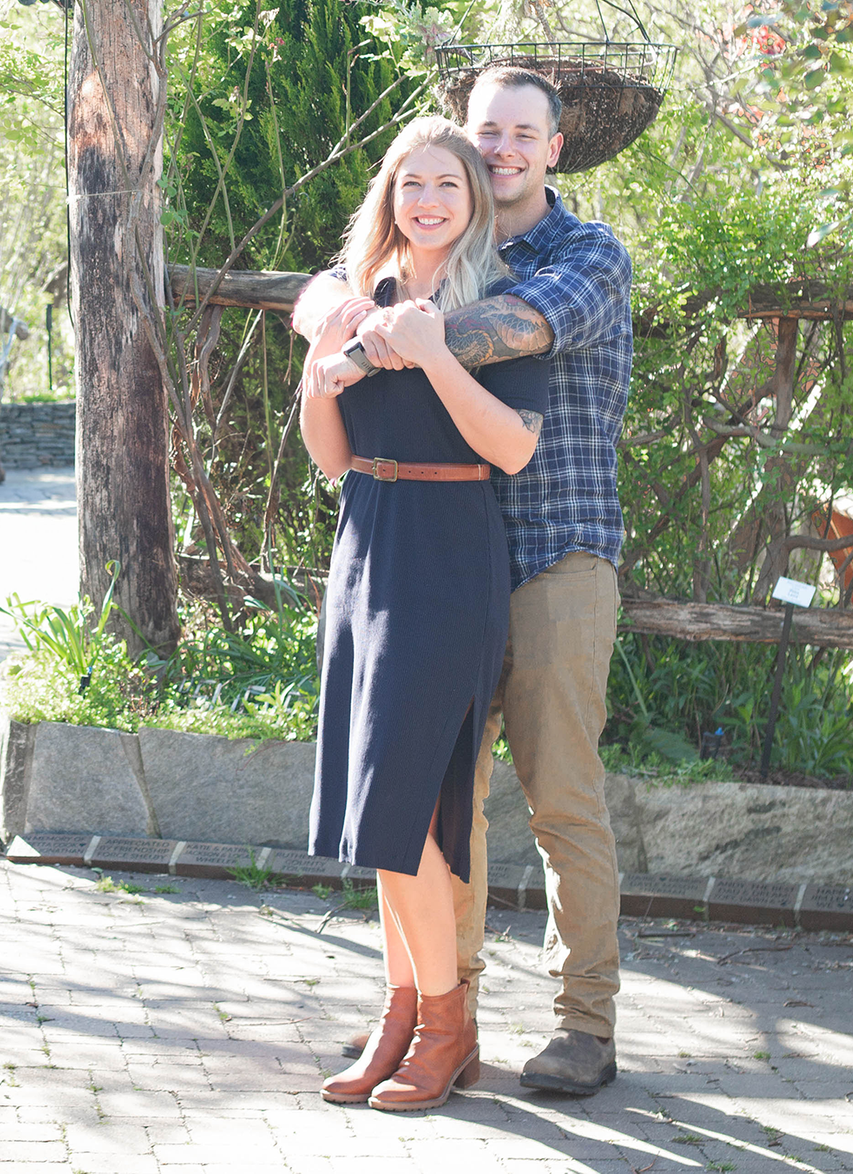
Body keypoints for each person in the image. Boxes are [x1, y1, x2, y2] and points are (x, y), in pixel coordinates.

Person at [294, 65, 633, 1097]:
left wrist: (368, 332)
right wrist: (336, 306)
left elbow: (503, 331)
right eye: (486, 127)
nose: (501, 146)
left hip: (556, 548)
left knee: (560, 793)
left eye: (521, 132)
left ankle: (584, 1021)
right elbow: (334, 286)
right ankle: (449, 1012)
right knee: (444, 802)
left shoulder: (578, 256)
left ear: (553, 147)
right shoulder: (440, 245)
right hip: (445, 545)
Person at [299, 116, 549, 1113]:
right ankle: (405, 1016)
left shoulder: (501, 305)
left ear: (473, 197)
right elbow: (327, 451)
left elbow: (512, 448)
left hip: (449, 549)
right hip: (364, 536)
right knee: (381, 811)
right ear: (390, 195)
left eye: (448, 182)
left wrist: (434, 351)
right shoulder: (360, 294)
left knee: (400, 804)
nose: (430, 199)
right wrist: (323, 370)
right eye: (412, 183)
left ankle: (442, 1028)